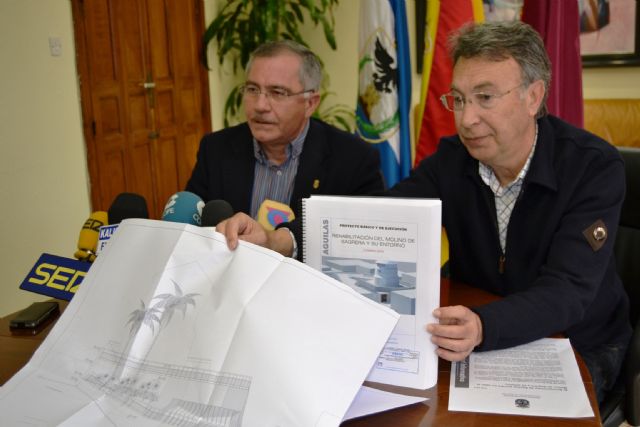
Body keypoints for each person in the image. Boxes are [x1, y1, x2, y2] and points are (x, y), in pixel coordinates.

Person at [216, 21, 632, 404]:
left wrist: (483, 326)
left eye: (485, 98)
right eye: (459, 100)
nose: (466, 119)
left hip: (577, 343)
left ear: (533, 97)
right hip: (478, 342)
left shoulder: (592, 167)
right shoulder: (454, 159)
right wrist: (280, 238)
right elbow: (377, 214)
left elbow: (568, 291)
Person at [186, 40, 384, 258]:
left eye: (278, 92)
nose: (260, 105)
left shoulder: (353, 158)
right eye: (252, 89)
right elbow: (190, 227)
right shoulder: (216, 149)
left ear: (310, 103)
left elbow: (364, 235)